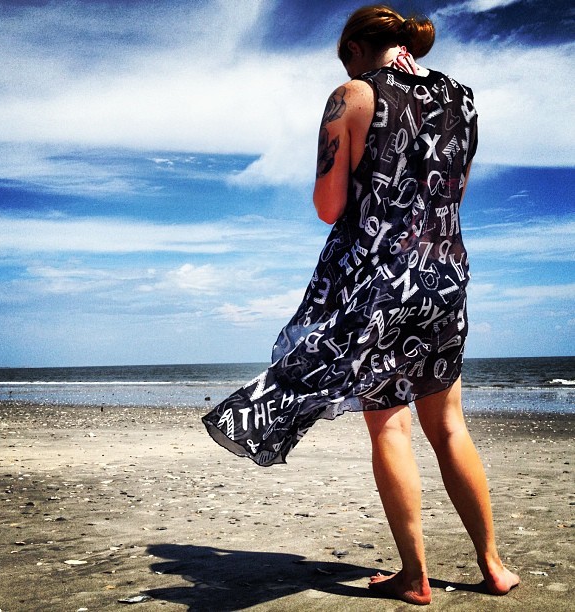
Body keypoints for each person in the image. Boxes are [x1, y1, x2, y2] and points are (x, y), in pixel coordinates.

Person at [203, 4, 519, 605]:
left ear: (352, 48)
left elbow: (328, 206)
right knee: (449, 426)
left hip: (381, 277)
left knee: (390, 425)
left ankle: (415, 576)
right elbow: (455, 190)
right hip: (447, 270)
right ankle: (494, 565)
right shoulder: (464, 100)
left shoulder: (351, 94)